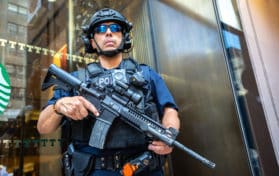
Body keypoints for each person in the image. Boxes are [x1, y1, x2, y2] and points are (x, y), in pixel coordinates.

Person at [37, 8, 180, 176]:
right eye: (101, 29)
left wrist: (169, 134)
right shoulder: (77, 80)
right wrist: (58, 106)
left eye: (115, 28)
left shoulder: (146, 75)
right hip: (92, 170)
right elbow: (43, 127)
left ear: (124, 37)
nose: (109, 33)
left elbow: (170, 110)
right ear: (92, 41)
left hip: (143, 167)